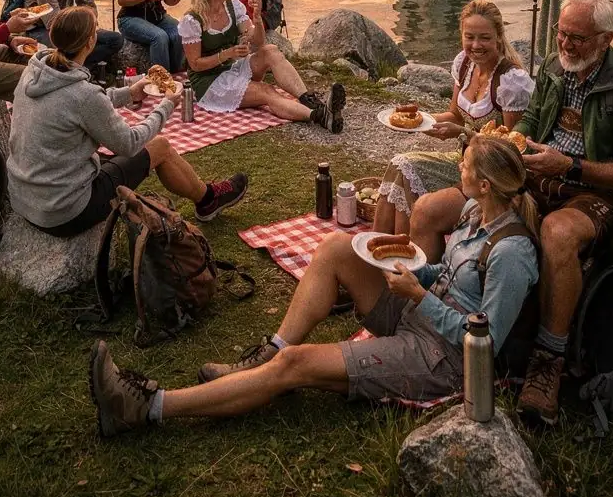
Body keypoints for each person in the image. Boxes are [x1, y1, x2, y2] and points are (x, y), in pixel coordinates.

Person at [87, 136, 540, 438]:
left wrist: (419, 296)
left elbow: (486, 341)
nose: (457, 168)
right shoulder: (473, 213)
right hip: (419, 315)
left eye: (463, 165)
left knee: (296, 365)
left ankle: (147, 406)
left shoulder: (511, 252)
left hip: (442, 360)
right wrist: (413, 275)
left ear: (483, 183)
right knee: (338, 247)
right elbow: (446, 279)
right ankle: (271, 347)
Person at [514, 0, 613, 425]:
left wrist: (572, 165)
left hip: (598, 194)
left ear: (605, 39)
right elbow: (530, 121)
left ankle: (548, 362)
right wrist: (515, 141)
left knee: (557, 234)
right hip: (544, 174)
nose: (565, 44)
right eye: (561, 33)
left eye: (577, 37)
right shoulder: (556, 70)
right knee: (460, 201)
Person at [8, 7, 248, 234]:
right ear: (90, 42)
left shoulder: (36, 70)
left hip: (23, 197)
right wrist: (166, 106)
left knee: (108, 155)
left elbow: (80, 104)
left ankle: (206, 195)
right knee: (160, 147)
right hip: (63, 212)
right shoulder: (83, 95)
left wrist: (129, 93)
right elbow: (129, 143)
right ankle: (208, 200)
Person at [374, 0, 535, 240]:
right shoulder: (464, 64)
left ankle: (405, 257)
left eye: (485, 38)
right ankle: (380, 251)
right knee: (400, 165)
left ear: (499, 37)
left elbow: (510, 154)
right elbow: (455, 115)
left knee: (407, 173)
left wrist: (462, 134)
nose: (476, 45)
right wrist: (421, 121)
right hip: (464, 161)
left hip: (489, 178)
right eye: (469, 37)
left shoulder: (511, 81)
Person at [179, 0, 345, 131]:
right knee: (267, 91)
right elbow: (195, 65)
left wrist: (257, 19)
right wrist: (227, 54)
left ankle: (311, 102)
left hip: (231, 69)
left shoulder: (232, 7)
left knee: (270, 51)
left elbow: (258, 43)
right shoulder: (192, 21)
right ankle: (321, 116)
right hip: (210, 84)